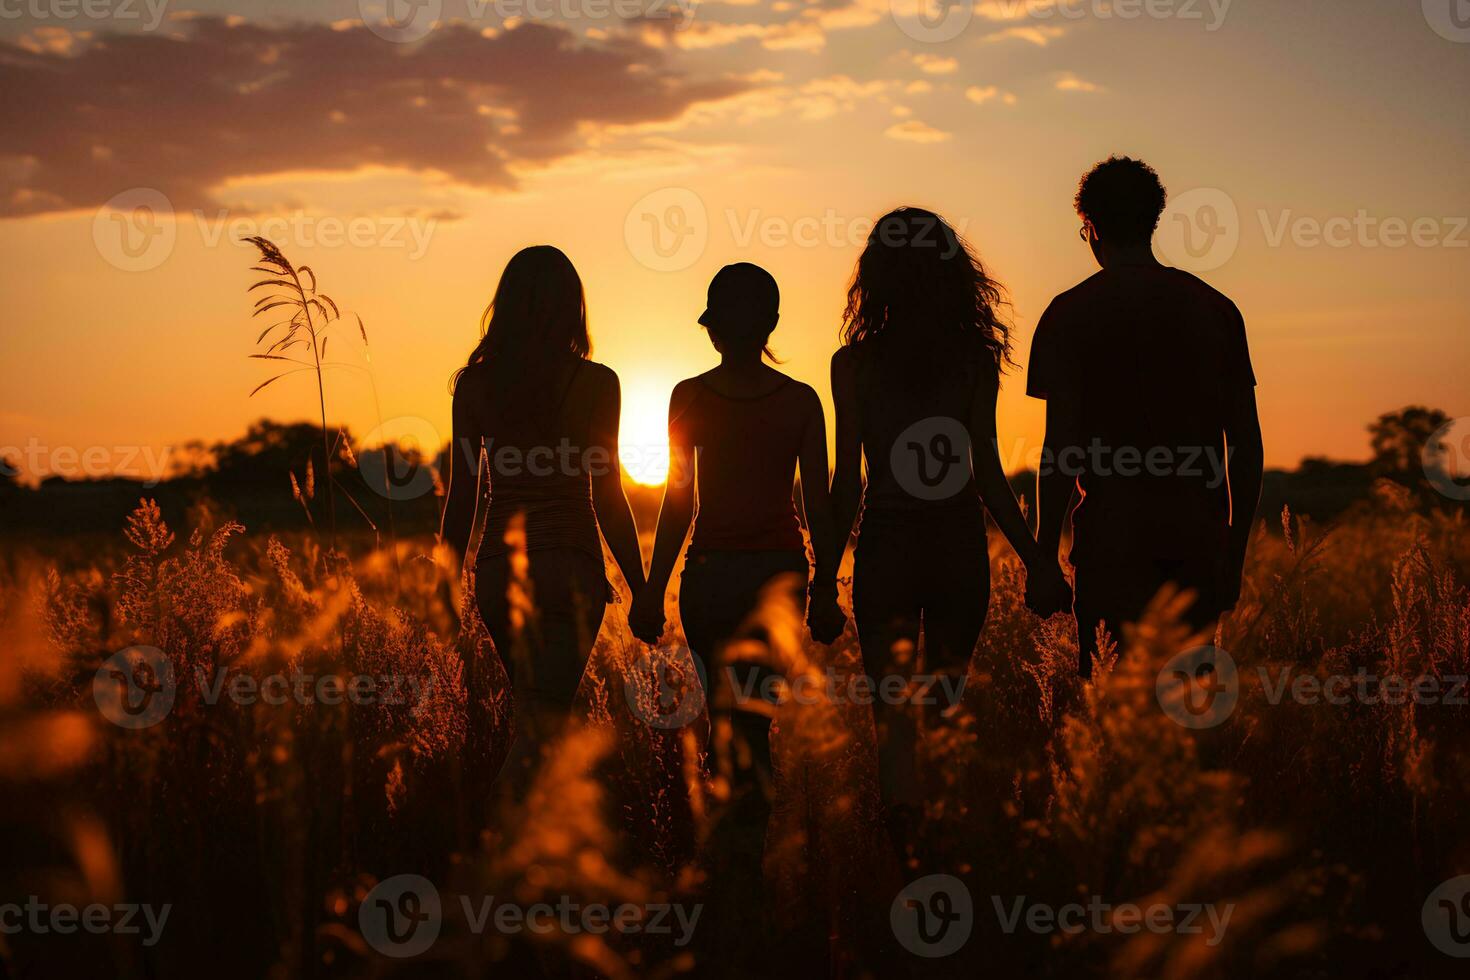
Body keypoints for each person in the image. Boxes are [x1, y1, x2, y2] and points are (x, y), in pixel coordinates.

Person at [817, 207, 1071, 853]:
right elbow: (987, 474)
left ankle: (908, 853)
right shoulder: (973, 363)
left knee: (893, 717)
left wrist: (822, 579)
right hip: (959, 549)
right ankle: (944, 850)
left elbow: (848, 480)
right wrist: (1038, 561)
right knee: (943, 707)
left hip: (887, 548)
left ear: (876, 278)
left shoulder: (854, 366)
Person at [1028, 156, 1264, 677]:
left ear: (1089, 227)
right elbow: (1245, 446)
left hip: (1110, 546)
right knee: (1186, 723)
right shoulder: (1216, 309)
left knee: (1112, 714)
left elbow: (1061, 449)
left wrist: (1045, 556)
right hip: (1196, 545)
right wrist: (1233, 555)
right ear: (1154, 220)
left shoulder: (1068, 314)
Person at [629, 262, 845, 792]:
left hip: (711, 580)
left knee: (724, 721)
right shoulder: (800, 401)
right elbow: (819, 506)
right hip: (778, 579)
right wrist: (824, 592)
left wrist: (653, 591)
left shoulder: (690, 396)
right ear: (770, 324)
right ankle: (744, 846)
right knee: (754, 721)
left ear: (714, 328)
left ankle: (732, 846)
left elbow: (677, 504)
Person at [439, 245, 647, 790]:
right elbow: (607, 494)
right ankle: (498, 851)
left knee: (537, 722)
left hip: (499, 574)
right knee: (542, 728)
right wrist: (642, 587)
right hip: (571, 570)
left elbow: (464, 495)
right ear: (571, 307)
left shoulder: (477, 385)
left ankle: (526, 859)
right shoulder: (598, 383)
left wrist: (444, 581)